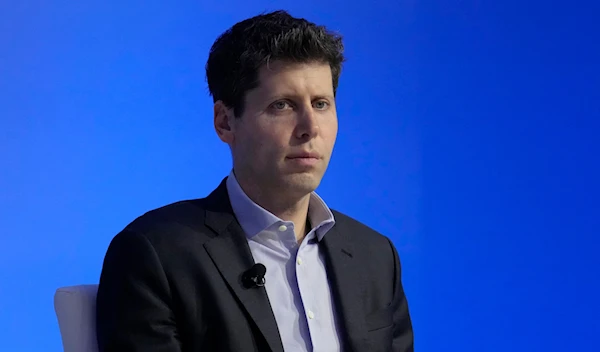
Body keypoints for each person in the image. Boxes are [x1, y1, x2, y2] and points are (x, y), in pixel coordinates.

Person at [96, 10, 413, 352]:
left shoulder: (376, 256)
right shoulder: (155, 254)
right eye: (282, 105)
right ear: (225, 122)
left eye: (321, 104)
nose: (311, 128)